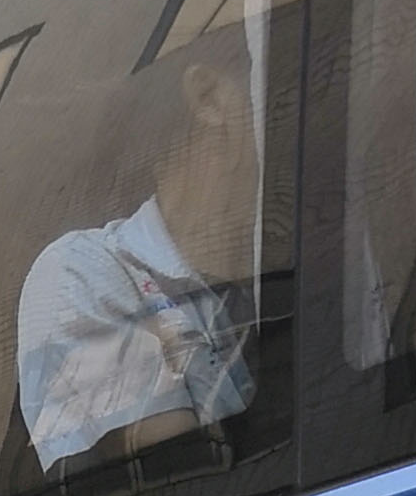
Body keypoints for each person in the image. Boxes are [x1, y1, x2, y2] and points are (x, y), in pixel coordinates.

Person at [15, 28, 261, 472]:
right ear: (209, 98)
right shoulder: (84, 271)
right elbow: (181, 479)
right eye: (265, 78)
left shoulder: (273, 272)